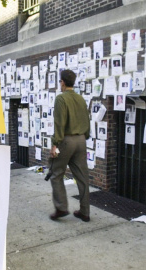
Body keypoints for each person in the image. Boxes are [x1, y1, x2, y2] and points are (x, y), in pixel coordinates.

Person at [49, 69, 91, 222]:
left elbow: (59, 124)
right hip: (81, 140)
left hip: (66, 140)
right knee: (82, 177)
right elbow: (87, 120)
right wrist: (84, 136)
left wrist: (55, 145)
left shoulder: (61, 99)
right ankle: (85, 212)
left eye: (60, 81)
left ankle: (61, 208)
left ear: (63, 82)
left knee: (56, 173)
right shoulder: (81, 99)